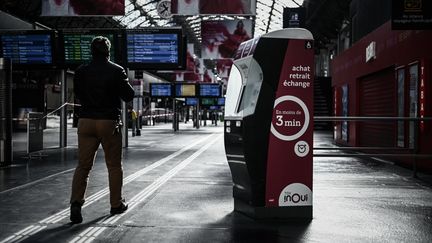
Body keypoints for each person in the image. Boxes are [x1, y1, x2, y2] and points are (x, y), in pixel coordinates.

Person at [70, 36, 134, 224]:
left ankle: (75, 203)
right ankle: (116, 204)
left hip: (86, 120)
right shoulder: (116, 70)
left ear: (91, 51)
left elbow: (79, 95)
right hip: (108, 122)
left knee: (83, 165)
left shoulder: (81, 71)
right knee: (114, 166)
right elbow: (128, 95)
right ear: (108, 51)